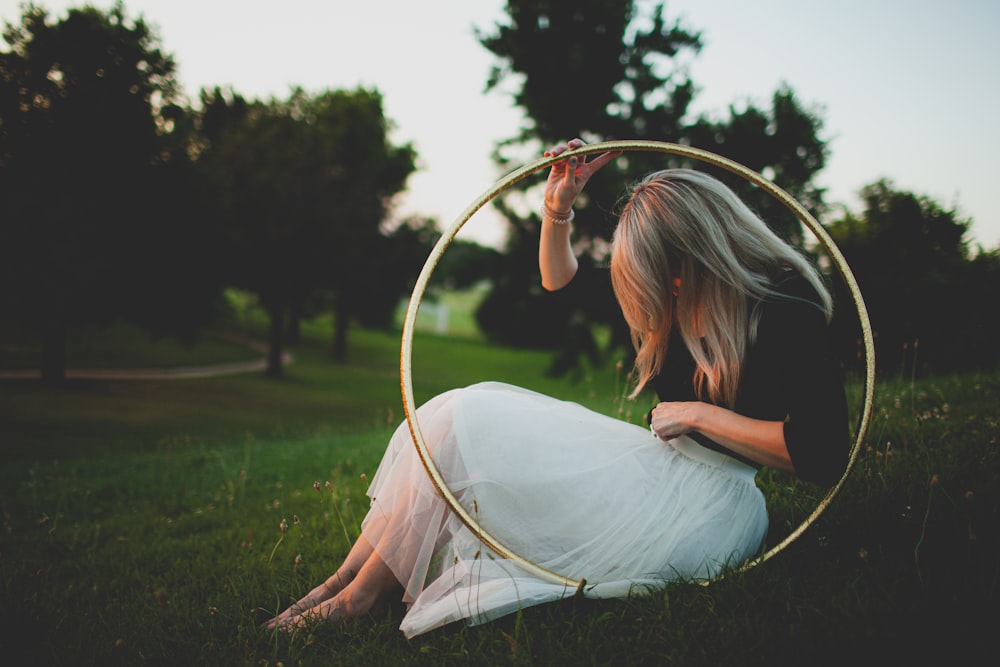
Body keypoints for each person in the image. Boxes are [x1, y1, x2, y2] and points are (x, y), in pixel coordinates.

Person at [265, 138, 849, 638]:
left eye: (659, 278)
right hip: (656, 472)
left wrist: (698, 415)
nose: (649, 296)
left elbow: (823, 453)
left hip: (707, 510)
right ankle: (343, 583)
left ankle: (358, 601)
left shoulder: (784, 310)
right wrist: (557, 209)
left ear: (697, 260)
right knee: (457, 417)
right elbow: (559, 280)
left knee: (472, 423)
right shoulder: (671, 295)